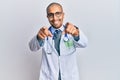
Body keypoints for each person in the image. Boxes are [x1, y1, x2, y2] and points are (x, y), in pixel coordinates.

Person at [29, 2, 88, 80]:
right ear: (47, 17)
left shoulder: (71, 31)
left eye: (58, 14)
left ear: (63, 15)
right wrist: (39, 37)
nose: (55, 18)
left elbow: (84, 43)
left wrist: (76, 33)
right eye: (51, 15)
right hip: (49, 77)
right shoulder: (44, 33)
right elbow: (32, 47)